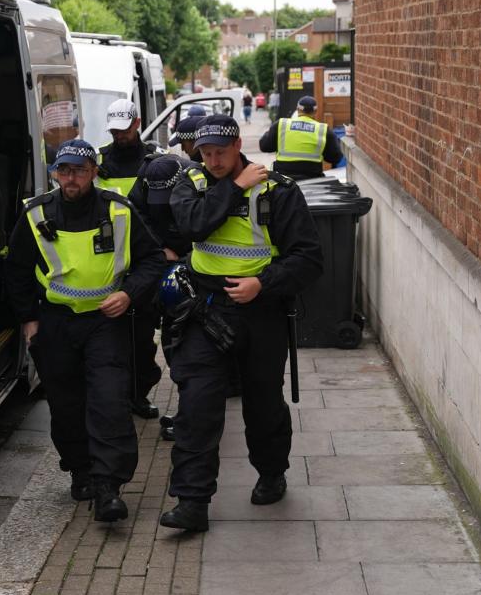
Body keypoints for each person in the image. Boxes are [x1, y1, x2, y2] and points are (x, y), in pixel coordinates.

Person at [158, 115, 323, 532]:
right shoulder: (190, 183)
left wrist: (262, 284)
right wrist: (234, 188)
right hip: (205, 309)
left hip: (260, 312)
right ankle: (193, 502)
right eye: (205, 153)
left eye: (220, 152)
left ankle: (271, 473)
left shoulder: (278, 191)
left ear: (237, 147)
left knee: (263, 402)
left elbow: (308, 258)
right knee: (197, 406)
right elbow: (192, 225)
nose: (211, 160)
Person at [4, 139, 167, 520]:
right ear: (55, 174)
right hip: (56, 322)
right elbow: (16, 271)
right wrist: (30, 321)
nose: (71, 178)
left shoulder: (119, 211)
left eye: (79, 170)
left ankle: (109, 487)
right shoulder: (35, 214)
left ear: (94, 171)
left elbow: (153, 260)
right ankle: (81, 471)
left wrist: (128, 294)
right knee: (66, 405)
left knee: (110, 401)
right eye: (64, 171)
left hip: (105, 322)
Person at [97, 99, 164, 419]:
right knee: (111, 339)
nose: (119, 136)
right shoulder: (98, 160)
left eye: (124, 130)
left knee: (142, 339)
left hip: (142, 255)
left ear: (136, 124)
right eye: (114, 130)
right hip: (107, 258)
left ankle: (138, 393)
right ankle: (116, 397)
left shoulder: (153, 159)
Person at [127, 153, 197, 442]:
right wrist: (159, 249)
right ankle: (135, 395)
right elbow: (135, 216)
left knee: (180, 339)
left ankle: (190, 410)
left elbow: (211, 225)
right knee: (139, 333)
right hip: (156, 263)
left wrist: (185, 255)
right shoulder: (145, 178)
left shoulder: (195, 179)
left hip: (191, 266)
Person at [259, 95, 344, 180]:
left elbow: (264, 146)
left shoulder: (281, 124)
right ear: (315, 111)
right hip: (312, 180)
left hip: (284, 180)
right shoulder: (323, 129)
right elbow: (336, 158)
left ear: (298, 109)